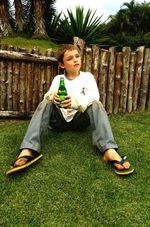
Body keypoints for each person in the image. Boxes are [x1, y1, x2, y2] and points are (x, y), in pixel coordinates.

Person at [6, 44, 134, 176]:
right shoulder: (58, 79)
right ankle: (29, 148)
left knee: (97, 104)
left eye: (77, 56)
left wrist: (74, 103)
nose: (75, 60)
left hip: (80, 121)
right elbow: (48, 95)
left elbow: (94, 96)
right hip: (58, 122)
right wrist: (53, 97)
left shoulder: (87, 77)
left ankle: (109, 150)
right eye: (70, 58)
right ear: (62, 65)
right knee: (45, 102)